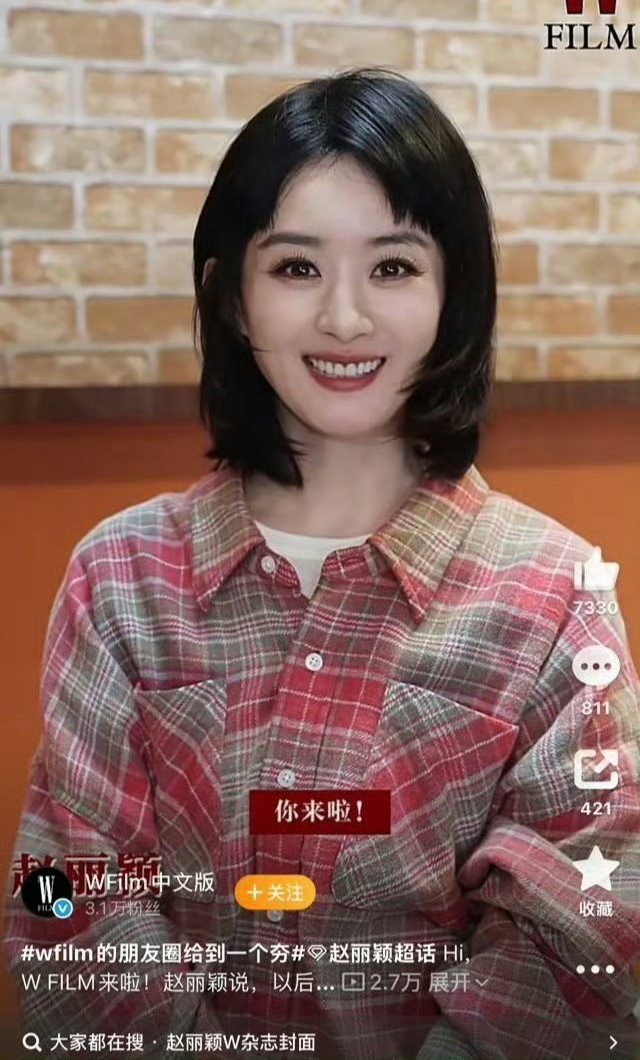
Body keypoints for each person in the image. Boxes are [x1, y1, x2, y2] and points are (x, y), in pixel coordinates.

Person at [4, 67, 640, 1060]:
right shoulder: (120, 574)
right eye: (296, 266)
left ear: (454, 294)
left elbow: (587, 911)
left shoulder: (554, 590)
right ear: (231, 296)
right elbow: (66, 890)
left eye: (394, 267)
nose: (345, 318)